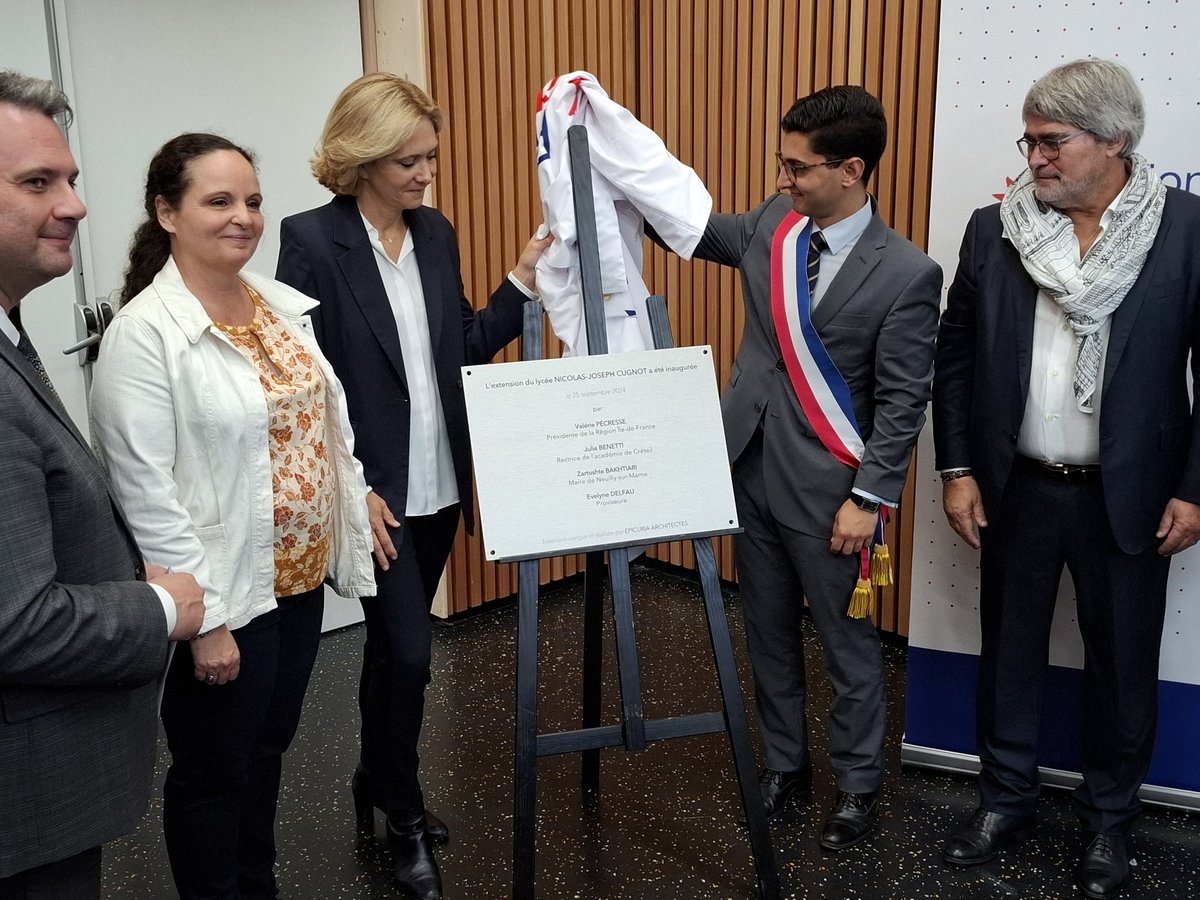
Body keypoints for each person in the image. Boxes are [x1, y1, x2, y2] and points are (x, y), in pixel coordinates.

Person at [275, 73, 549, 900]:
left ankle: (373, 774)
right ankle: (403, 813)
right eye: (407, 160)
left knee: (396, 657)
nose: (426, 173)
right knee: (413, 654)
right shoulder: (312, 238)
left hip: (439, 485)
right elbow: (306, 379)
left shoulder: (435, 233)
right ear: (360, 160)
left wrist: (524, 277)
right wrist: (349, 487)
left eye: (430, 156)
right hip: (376, 495)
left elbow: (460, 344)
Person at [933, 58, 1200, 899]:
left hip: (1133, 498)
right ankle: (1003, 800)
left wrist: (1194, 488)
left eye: (1053, 142)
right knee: (1007, 653)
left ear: (1115, 141)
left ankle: (1110, 824)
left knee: (1123, 669)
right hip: (1016, 487)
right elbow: (957, 357)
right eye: (1030, 140)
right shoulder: (995, 229)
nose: (1035, 158)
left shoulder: (1185, 230)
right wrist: (958, 466)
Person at [89, 132, 377, 900]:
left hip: (296, 581)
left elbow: (314, 426)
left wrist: (356, 497)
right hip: (222, 596)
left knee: (269, 750)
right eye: (218, 201)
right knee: (215, 772)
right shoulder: (145, 336)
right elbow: (144, 491)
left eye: (251, 200)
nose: (243, 217)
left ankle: (257, 887)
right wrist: (208, 618)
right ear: (167, 213)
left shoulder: (279, 307)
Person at [670, 85, 941, 849]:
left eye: (798, 168)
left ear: (851, 169)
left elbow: (902, 401)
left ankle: (856, 786)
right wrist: (614, 159)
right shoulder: (772, 225)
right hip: (748, 468)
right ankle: (786, 764)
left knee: (849, 647)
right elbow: (688, 229)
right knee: (765, 631)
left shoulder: (908, 274)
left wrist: (871, 496)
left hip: (833, 496)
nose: (782, 179)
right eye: (782, 164)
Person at [0, 71, 205, 898]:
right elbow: (16, 623)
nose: (77, 205)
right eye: (37, 182)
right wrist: (162, 607)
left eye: (73, 180)